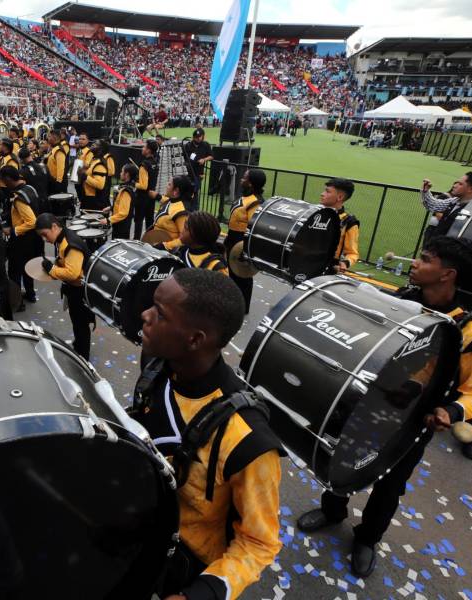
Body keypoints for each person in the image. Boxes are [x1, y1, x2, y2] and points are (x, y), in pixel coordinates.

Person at [296, 236, 472, 577]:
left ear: (447, 274)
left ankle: (367, 538)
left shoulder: (471, 333)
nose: (415, 262)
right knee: (338, 459)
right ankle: (332, 511)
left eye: (426, 259)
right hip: (366, 407)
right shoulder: (401, 302)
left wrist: (451, 412)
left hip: (411, 424)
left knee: (390, 484)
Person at [130, 269, 283, 600]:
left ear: (195, 340)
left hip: (187, 566)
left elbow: (259, 542)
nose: (145, 315)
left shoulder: (249, 440)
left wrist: (200, 594)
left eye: (160, 313)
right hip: (141, 527)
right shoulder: (158, 363)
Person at [36, 213, 94, 360]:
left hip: (81, 290)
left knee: (81, 325)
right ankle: (79, 345)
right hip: (74, 289)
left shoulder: (70, 244)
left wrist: (51, 269)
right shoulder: (61, 238)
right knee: (76, 322)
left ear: (54, 227)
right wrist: (57, 262)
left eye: (45, 234)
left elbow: (72, 273)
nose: (44, 239)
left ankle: (83, 357)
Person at [224, 169, 267, 313]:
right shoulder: (246, 197)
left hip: (242, 241)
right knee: (232, 273)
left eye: (245, 178)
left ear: (251, 183)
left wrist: (245, 248)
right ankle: (233, 303)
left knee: (242, 274)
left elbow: (253, 227)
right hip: (233, 238)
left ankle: (242, 307)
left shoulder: (255, 202)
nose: (242, 180)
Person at [0, 166, 39, 307]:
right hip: (33, 238)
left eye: (4, 181)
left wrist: (13, 230)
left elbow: (32, 222)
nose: (4, 185)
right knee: (28, 268)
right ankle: (30, 294)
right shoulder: (30, 189)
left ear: (9, 179)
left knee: (14, 271)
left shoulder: (19, 198)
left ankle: (17, 302)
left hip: (22, 239)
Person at [420, 171, 472, 238]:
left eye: (460, 184)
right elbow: (433, 205)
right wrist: (425, 191)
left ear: (471, 189)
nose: (454, 186)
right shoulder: (454, 200)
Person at [319, 178, 359, 273]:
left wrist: (345, 263)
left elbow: (352, 253)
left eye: (327, 191)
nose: (322, 194)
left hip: (327, 270)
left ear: (340, 197)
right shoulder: (314, 213)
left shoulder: (349, 222)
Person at [149, 175, 191, 252]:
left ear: (176, 191)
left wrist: (165, 246)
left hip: (165, 253)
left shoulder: (181, 212)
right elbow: (168, 202)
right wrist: (157, 196)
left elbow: (184, 239)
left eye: (169, 184)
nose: (167, 186)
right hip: (155, 247)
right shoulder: (172, 200)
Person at [101, 163, 135, 239]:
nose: (120, 173)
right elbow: (121, 204)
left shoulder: (126, 192)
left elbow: (124, 213)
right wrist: (111, 208)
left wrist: (108, 220)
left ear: (127, 174)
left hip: (121, 228)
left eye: (122, 171)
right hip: (119, 225)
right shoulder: (127, 187)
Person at [134, 140, 158, 239]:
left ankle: (136, 242)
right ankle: (150, 243)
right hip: (151, 197)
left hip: (142, 198)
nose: (142, 148)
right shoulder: (155, 162)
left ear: (148, 150)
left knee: (138, 221)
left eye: (144, 147)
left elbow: (143, 186)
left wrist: (133, 183)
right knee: (149, 221)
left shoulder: (144, 165)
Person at [183, 127, 213, 209]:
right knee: (188, 190)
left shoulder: (206, 145)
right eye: (196, 137)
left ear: (202, 136)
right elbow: (184, 157)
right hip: (188, 172)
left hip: (198, 173)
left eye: (200, 137)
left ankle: (194, 209)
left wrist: (204, 159)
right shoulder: (188, 145)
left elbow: (211, 156)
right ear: (193, 137)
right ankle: (188, 208)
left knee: (195, 191)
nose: (198, 138)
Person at [79, 142, 108, 211]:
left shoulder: (100, 164)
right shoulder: (94, 160)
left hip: (94, 201)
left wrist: (85, 176)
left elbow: (100, 185)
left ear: (101, 149)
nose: (92, 144)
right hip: (87, 197)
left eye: (96, 144)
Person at [45, 129, 69, 194]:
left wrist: (58, 183)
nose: (48, 138)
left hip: (56, 183)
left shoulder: (59, 150)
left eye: (49, 136)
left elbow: (61, 168)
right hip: (52, 182)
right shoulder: (54, 148)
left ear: (54, 137)